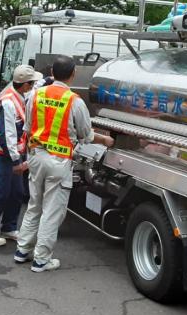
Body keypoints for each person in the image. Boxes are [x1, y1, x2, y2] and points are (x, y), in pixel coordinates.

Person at [15, 55, 114, 272]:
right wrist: (105, 139)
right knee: (52, 211)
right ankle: (41, 259)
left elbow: (28, 127)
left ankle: (22, 250)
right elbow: (86, 135)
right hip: (58, 161)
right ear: (73, 74)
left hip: (36, 156)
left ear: (52, 72)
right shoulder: (74, 101)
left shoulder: (35, 95)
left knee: (35, 205)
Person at [0, 64, 42, 246]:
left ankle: (9, 227)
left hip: (15, 155)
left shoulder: (20, 95)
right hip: (3, 156)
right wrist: (16, 161)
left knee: (17, 192)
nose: (33, 86)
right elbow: (7, 135)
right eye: (32, 83)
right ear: (24, 84)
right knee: (0, 193)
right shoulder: (8, 102)